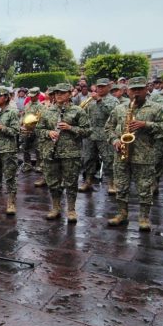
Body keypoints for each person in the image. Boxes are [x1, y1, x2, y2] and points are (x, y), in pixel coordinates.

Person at [106, 77, 163, 230]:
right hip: (121, 154)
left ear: (146, 89)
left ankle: (144, 218)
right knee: (121, 186)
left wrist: (145, 124)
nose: (136, 92)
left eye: (140, 89)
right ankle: (122, 214)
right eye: (133, 89)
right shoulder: (120, 108)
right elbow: (108, 128)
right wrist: (115, 140)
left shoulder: (156, 108)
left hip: (144, 155)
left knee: (145, 188)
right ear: (127, 91)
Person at [36, 83, 90, 222]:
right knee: (52, 182)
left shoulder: (78, 111)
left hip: (71, 153)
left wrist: (71, 128)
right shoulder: (47, 111)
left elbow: (87, 131)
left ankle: (71, 209)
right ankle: (55, 207)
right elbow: (38, 130)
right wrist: (49, 133)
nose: (58, 95)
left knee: (71, 182)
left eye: (62, 92)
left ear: (70, 94)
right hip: (51, 152)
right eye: (56, 92)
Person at [79, 78, 120, 193]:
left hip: (105, 135)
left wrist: (99, 101)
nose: (100, 88)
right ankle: (88, 181)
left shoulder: (113, 100)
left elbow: (113, 114)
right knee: (88, 159)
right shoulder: (90, 100)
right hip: (90, 134)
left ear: (109, 87)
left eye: (103, 86)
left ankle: (112, 183)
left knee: (109, 160)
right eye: (99, 86)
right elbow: (85, 114)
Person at [20, 87, 46, 177]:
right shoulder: (27, 105)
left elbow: (42, 120)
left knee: (38, 148)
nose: (31, 97)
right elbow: (23, 115)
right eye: (30, 96)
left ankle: (39, 165)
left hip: (36, 130)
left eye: (33, 96)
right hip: (27, 130)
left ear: (38, 95)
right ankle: (27, 164)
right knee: (25, 148)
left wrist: (35, 127)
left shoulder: (41, 106)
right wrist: (22, 124)